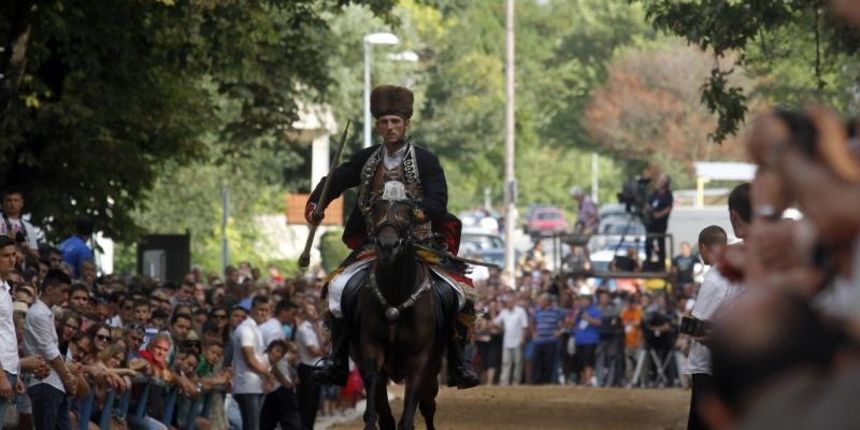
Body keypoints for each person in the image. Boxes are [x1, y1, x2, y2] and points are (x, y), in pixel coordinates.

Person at [306, 84, 479, 389]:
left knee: (461, 294)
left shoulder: (425, 161)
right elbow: (335, 179)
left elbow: (438, 202)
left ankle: (458, 362)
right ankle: (337, 359)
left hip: (421, 245)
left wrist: (413, 212)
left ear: (406, 124)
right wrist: (315, 203)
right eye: (384, 122)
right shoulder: (366, 159)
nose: (390, 127)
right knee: (336, 288)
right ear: (378, 125)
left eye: (395, 121)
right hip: (373, 246)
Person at [686, 223, 736, 430]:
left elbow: (698, 326)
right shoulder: (735, 275)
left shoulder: (714, 280)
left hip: (706, 364)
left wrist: (686, 323)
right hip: (728, 361)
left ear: (703, 247)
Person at [24, 269, 77, 430]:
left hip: (54, 384)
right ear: (49, 290)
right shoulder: (39, 313)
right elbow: (51, 354)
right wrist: (68, 379)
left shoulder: (47, 312)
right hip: (44, 384)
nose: (66, 297)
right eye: (63, 291)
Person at [231, 296, 274, 430]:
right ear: (252, 309)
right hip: (247, 385)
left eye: (266, 310)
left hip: (255, 385)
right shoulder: (246, 329)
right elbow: (249, 360)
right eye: (260, 309)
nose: (263, 313)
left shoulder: (256, 328)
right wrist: (268, 375)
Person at [0, 237, 24, 430]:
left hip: (9, 370)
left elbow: (8, 334)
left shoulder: (5, 288)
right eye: (5, 255)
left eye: (13, 254)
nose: (11, 259)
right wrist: (1, 377)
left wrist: (17, 374)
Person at [296, 303, 324, 430]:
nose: (313, 313)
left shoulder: (316, 327)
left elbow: (325, 348)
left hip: (318, 367)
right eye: (309, 310)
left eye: (314, 310)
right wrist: (324, 349)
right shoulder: (304, 329)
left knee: (314, 403)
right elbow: (315, 352)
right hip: (308, 368)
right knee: (307, 403)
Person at [494, 296, 529, 385]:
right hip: (507, 341)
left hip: (518, 340)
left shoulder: (520, 311)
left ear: (514, 302)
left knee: (518, 363)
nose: (508, 304)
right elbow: (495, 322)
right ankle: (504, 382)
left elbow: (525, 326)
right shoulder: (504, 312)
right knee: (506, 362)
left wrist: (523, 338)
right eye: (507, 303)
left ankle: (516, 382)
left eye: (510, 302)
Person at [530, 293, 563, 384]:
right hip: (539, 340)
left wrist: (559, 331)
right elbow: (532, 322)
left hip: (551, 340)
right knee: (537, 362)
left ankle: (547, 382)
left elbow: (563, 322)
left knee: (549, 362)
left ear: (547, 301)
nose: (539, 302)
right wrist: (533, 333)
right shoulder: (537, 310)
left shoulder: (556, 311)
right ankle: (536, 382)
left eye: (541, 300)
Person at [644, 175, 673, 271]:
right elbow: (648, 203)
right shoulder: (654, 193)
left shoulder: (668, 195)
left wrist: (659, 214)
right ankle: (648, 261)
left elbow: (668, 208)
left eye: (661, 181)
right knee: (648, 242)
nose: (659, 183)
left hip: (661, 224)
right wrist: (649, 210)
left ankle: (661, 264)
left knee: (661, 243)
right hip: (651, 223)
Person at [0, 187, 41, 252]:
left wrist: (25, 246)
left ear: (22, 203)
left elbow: (36, 257)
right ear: (2, 203)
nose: (12, 203)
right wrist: (6, 239)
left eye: (16, 200)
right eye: (9, 200)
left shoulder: (29, 227)